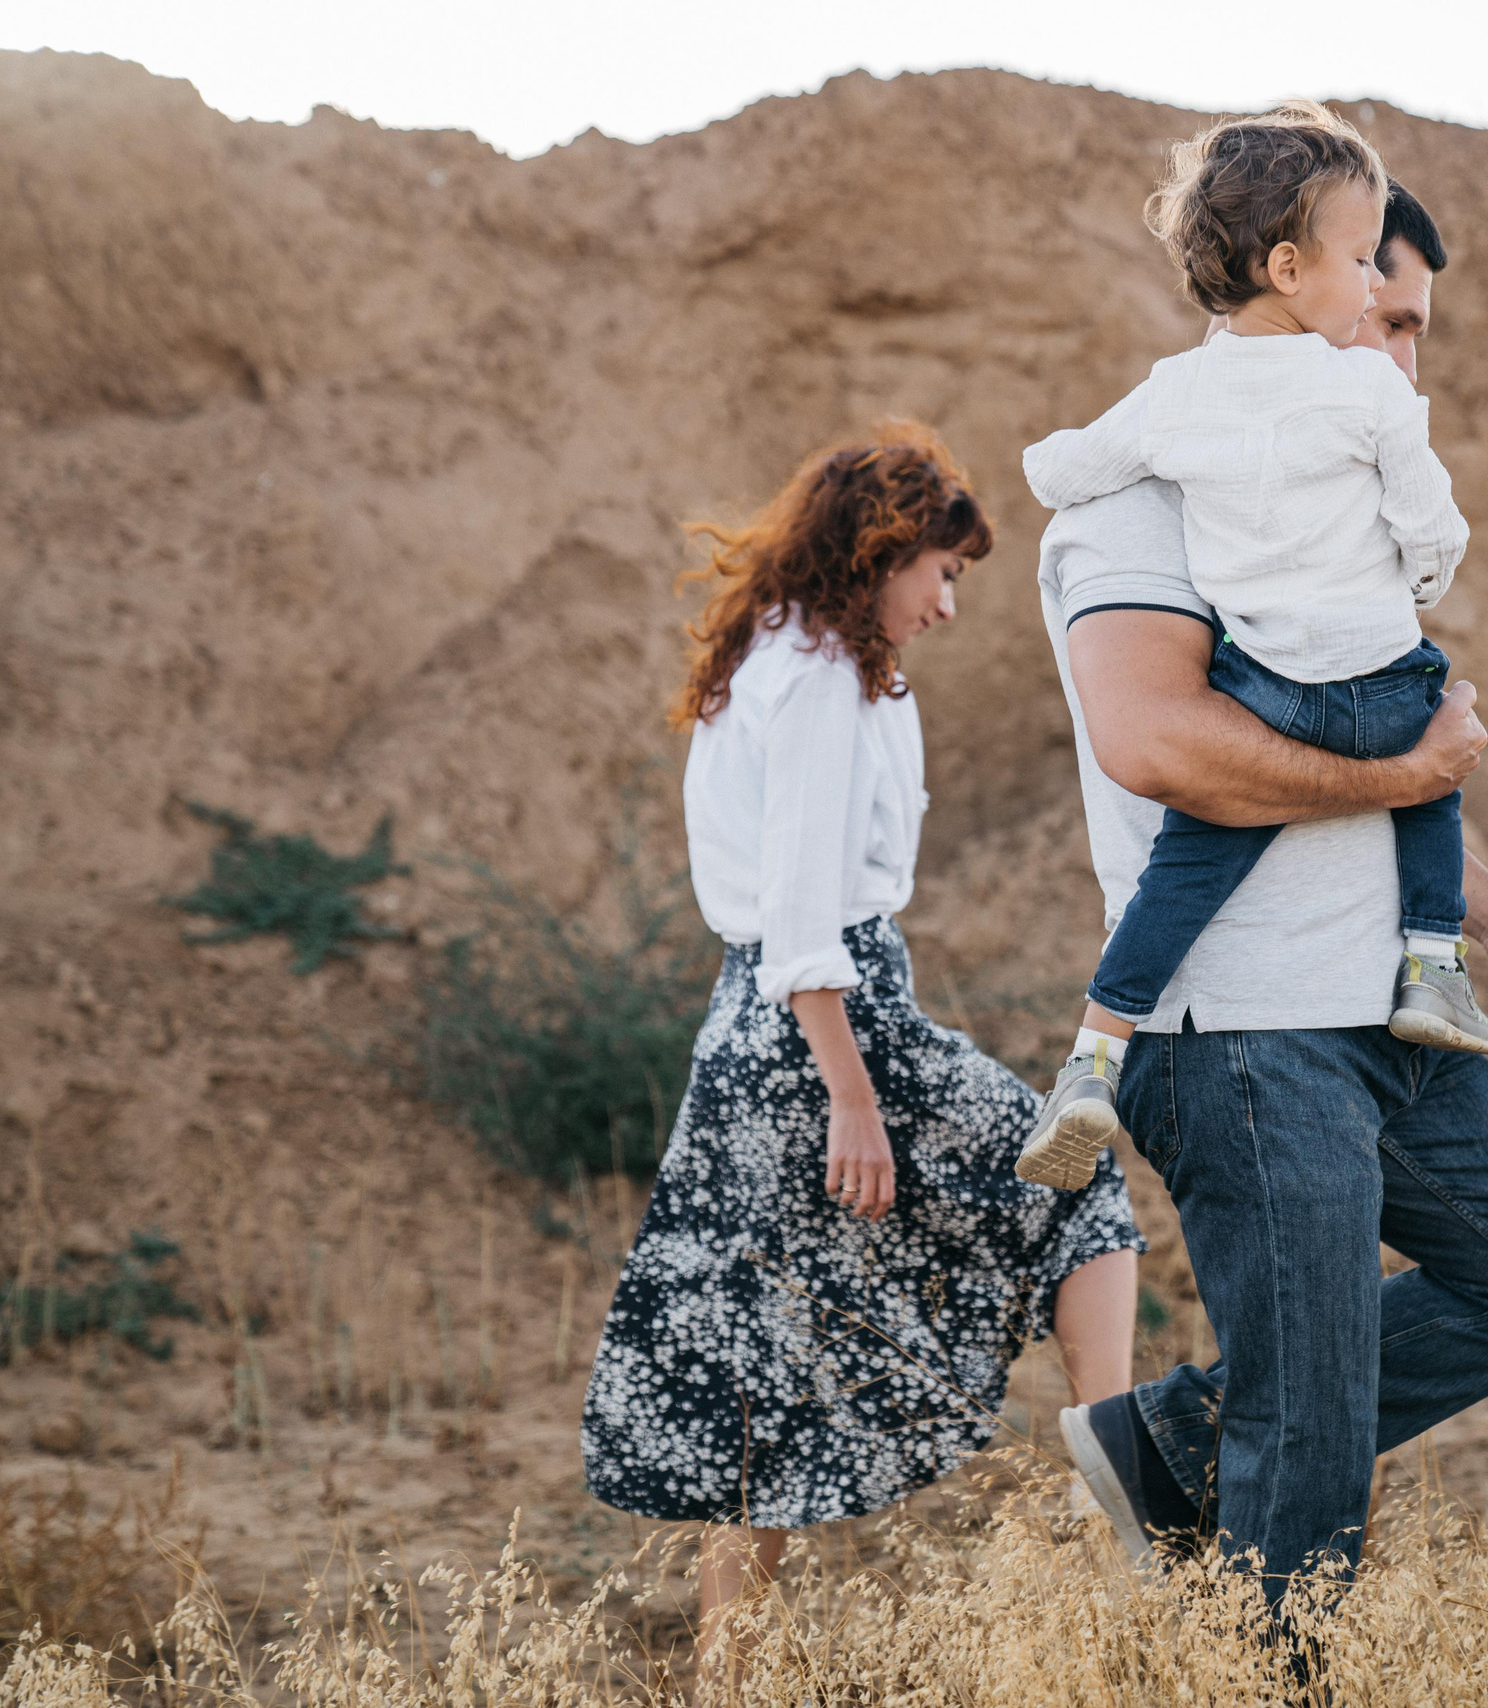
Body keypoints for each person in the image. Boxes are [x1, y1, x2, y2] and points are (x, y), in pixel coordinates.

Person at [1037, 180, 1488, 1612]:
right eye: (1387, 314)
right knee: (1303, 1471)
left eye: (1417, 327)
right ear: (1296, 285)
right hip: (1243, 1030)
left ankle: (1176, 1441)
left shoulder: (1335, 492)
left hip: (1387, 1017)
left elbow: (1363, 759)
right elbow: (1159, 744)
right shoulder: (1146, 499)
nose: (1404, 358)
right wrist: (1409, 768)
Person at [579, 423, 1144, 1698]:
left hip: (748, 1032)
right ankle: (1118, 1466)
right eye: (939, 573)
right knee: (1076, 1182)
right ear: (878, 555)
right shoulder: (823, 677)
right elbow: (802, 919)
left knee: (763, 1364)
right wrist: (852, 1096)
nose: (947, 604)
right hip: (826, 1025)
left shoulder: (775, 653)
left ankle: (727, 1676)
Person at [1018, 102, 1488, 1194]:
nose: (1375, 304)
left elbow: (1062, 467)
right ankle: (1434, 962)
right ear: (1289, 267)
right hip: (1258, 1010)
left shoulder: (1172, 400)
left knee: (1187, 866)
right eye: (1366, 271)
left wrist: (1060, 460)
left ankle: (1091, 1056)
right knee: (1436, 740)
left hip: (1267, 696)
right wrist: (1421, 585)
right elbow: (1434, 530)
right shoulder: (1362, 393)